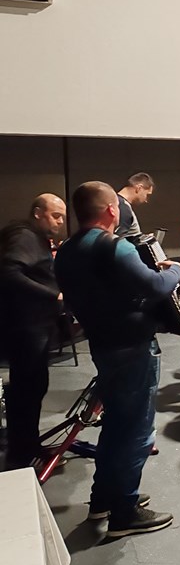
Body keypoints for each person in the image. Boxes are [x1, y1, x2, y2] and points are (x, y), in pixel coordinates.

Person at [54, 181, 180, 537]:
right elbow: (156, 286)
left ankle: (103, 500)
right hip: (133, 346)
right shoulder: (115, 246)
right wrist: (176, 270)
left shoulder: (66, 250)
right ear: (112, 210)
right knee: (137, 429)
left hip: (102, 344)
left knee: (115, 424)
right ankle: (125, 511)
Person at [0, 194, 66, 470]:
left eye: (62, 217)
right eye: (55, 215)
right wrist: (53, 295)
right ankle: (22, 453)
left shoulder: (34, 238)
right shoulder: (24, 237)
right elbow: (9, 273)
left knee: (33, 389)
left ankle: (28, 445)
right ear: (38, 213)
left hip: (33, 327)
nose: (60, 222)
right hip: (25, 328)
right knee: (26, 391)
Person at [114, 172, 154, 240]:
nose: (146, 200)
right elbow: (117, 240)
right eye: (147, 195)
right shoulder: (123, 207)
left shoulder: (116, 202)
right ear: (139, 188)